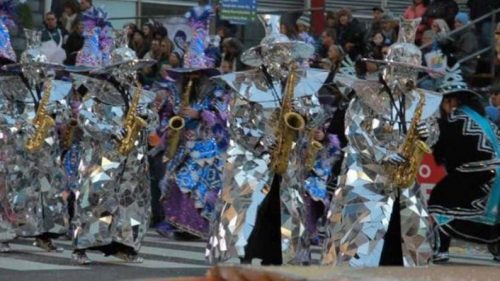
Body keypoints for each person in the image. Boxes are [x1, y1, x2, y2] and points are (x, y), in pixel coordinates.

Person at [207, 14, 333, 266]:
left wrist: (306, 113)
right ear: (265, 56)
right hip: (252, 159)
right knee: (249, 205)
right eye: (276, 53)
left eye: (285, 53)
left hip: (289, 160)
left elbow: (317, 114)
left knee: (284, 209)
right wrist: (262, 142)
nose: (282, 58)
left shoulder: (299, 83)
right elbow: (237, 122)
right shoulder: (246, 83)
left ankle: (282, 256)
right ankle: (238, 254)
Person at [322, 18, 442, 267]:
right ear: (389, 68)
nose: (407, 77)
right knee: (361, 235)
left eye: (411, 71)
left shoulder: (418, 100)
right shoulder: (366, 97)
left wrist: (426, 131)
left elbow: (433, 130)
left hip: (403, 180)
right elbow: (354, 131)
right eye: (401, 69)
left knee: (410, 232)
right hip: (367, 178)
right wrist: (380, 152)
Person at [70, 31, 157, 264]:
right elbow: (85, 117)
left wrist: (148, 115)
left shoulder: (140, 92)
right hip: (104, 156)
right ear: (115, 68)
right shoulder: (98, 90)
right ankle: (82, 246)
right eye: (125, 67)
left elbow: (154, 122)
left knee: (132, 203)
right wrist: (109, 128)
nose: (131, 72)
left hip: (134, 159)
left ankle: (125, 245)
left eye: (132, 67)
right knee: (95, 199)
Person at [428, 66, 500, 263]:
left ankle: (441, 249)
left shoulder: (454, 119)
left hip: (479, 174)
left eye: (443, 101)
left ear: (452, 100)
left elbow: (441, 151)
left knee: (438, 200)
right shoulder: (485, 121)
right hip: (494, 174)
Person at [76, 0, 114, 67]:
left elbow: (107, 26)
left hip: (98, 43)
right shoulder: (79, 15)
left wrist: (100, 33)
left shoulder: (99, 13)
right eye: (80, 3)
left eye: (82, 3)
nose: (80, 5)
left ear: (89, 2)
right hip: (86, 43)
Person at [451, 13, 478, 78]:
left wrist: (452, 58)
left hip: (467, 66)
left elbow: (466, 54)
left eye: (459, 22)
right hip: (459, 63)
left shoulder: (469, 36)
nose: (456, 24)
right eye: (455, 22)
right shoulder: (458, 34)